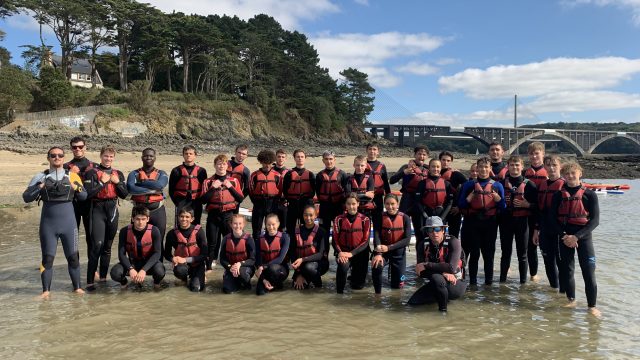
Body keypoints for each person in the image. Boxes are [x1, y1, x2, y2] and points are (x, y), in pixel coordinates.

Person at [23, 146, 87, 298]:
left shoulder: (72, 176)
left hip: (68, 223)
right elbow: (26, 197)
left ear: (64, 158)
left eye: (60, 155)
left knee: (72, 256)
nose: (56, 158)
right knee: (48, 258)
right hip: (48, 225)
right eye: (53, 155)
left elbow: (84, 196)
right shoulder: (40, 176)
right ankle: (46, 291)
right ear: (48, 158)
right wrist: (39, 187)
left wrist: (75, 187)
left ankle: (77, 288)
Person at [550, 162, 600, 317]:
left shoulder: (590, 195)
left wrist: (576, 237)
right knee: (567, 270)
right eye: (567, 174)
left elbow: (595, 221)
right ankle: (571, 300)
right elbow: (552, 219)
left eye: (573, 173)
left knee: (589, 272)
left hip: (583, 237)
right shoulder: (558, 195)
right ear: (564, 176)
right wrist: (564, 236)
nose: (570, 176)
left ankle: (592, 306)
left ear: (580, 173)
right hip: (564, 236)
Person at [83, 145, 128, 290]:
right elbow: (87, 195)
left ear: (114, 158)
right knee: (97, 246)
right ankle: (90, 281)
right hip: (97, 209)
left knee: (107, 247)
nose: (108, 159)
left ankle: (103, 278)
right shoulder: (92, 173)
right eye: (106, 156)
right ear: (101, 156)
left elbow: (124, 194)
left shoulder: (118, 173)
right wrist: (102, 182)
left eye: (111, 156)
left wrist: (118, 182)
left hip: (112, 210)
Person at [458, 157, 506, 286]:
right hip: (473, 222)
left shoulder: (497, 185)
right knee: (474, 254)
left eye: (486, 167)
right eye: (481, 167)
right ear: (477, 168)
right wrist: (470, 197)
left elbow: (503, 207)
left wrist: (498, 199)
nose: (483, 169)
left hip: (490, 223)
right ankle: (472, 283)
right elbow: (461, 204)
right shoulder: (469, 185)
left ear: (490, 169)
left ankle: (488, 284)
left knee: (488, 255)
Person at [407, 217, 466, 312]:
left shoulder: (454, 242)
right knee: (412, 303)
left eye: (437, 229)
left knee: (437, 278)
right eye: (430, 229)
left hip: (456, 283)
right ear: (427, 232)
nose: (434, 232)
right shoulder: (422, 244)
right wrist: (443, 273)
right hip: (438, 281)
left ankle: (443, 312)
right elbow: (420, 272)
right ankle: (443, 297)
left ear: (443, 230)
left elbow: (451, 268)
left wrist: (427, 265)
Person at [498, 155, 538, 284]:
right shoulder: (501, 184)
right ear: (508, 166)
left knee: (522, 255)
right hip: (505, 223)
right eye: (512, 165)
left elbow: (538, 207)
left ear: (522, 167)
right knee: (506, 253)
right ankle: (502, 282)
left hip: (523, 223)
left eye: (517, 165)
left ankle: (523, 284)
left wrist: (527, 205)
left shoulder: (530, 185)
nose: (514, 167)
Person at [200, 154, 244, 269]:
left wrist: (230, 187)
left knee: (230, 241)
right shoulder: (208, 181)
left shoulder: (233, 181)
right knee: (212, 243)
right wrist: (213, 187)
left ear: (227, 166)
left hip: (228, 216)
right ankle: (209, 267)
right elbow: (203, 201)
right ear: (215, 165)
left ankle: (232, 266)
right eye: (219, 164)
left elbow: (240, 199)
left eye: (224, 164)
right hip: (213, 216)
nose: (221, 166)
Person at [110, 206, 165, 289]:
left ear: (147, 219)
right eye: (137, 219)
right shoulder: (124, 231)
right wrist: (130, 269)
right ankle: (124, 283)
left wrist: (143, 270)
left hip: (148, 264)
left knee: (160, 271)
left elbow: (157, 253)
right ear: (132, 219)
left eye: (143, 219)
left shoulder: (154, 231)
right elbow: (121, 254)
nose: (140, 222)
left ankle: (156, 284)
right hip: (133, 263)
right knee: (115, 273)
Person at [533, 155, 565, 291]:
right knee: (548, 261)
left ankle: (564, 293)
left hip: (559, 228)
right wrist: (536, 229)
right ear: (544, 167)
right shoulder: (542, 185)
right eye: (548, 165)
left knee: (561, 262)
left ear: (560, 167)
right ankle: (554, 291)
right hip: (544, 228)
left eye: (554, 165)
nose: (551, 168)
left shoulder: (564, 184)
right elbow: (538, 209)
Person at [414, 158, 455, 262]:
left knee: (440, 240)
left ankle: (441, 262)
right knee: (424, 240)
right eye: (433, 166)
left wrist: (442, 218)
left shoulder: (447, 184)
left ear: (440, 168)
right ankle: (422, 264)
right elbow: (417, 202)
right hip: (426, 215)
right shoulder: (422, 184)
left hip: (441, 216)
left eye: (438, 167)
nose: (435, 169)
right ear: (429, 168)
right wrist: (425, 215)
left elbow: (450, 203)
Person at [389, 145, 430, 244]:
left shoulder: (428, 169)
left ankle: (420, 257)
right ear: (415, 155)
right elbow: (392, 180)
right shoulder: (406, 167)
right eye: (419, 154)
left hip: (420, 202)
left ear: (427, 156)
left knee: (420, 232)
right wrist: (404, 172)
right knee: (401, 228)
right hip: (407, 200)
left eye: (424, 154)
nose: (421, 156)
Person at [371, 194, 411, 294]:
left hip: (398, 253)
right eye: (387, 204)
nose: (390, 207)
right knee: (377, 266)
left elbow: (407, 240)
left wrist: (389, 247)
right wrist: (378, 254)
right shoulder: (380, 217)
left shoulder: (405, 218)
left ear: (397, 204)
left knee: (397, 288)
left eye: (393, 204)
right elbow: (376, 235)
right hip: (383, 251)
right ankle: (377, 295)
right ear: (384, 204)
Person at [127, 148, 169, 241]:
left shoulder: (161, 173)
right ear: (142, 158)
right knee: (136, 239)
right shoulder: (134, 173)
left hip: (157, 210)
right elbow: (131, 188)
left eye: (151, 156)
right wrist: (152, 190)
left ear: (155, 158)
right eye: (146, 156)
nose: (148, 157)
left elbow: (159, 185)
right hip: (139, 211)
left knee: (158, 240)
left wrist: (140, 183)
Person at [332, 193, 371, 294]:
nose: (351, 206)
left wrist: (352, 254)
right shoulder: (338, 219)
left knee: (357, 287)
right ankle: (339, 294)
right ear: (345, 205)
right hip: (344, 253)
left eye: (353, 204)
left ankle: (354, 277)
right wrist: (340, 253)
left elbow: (365, 242)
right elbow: (335, 240)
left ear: (358, 204)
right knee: (343, 266)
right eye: (348, 204)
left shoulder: (365, 219)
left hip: (360, 254)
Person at [164, 207, 208, 292]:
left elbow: (204, 255)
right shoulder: (171, 234)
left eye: (187, 217)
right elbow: (166, 254)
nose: (184, 219)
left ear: (192, 219)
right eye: (182, 216)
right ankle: (183, 279)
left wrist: (185, 259)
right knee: (179, 270)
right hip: (182, 267)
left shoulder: (199, 232)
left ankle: (200, 276)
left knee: (196, 289)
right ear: (178, 217)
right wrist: (172, 258)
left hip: (197, 264)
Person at [64, 136, 97, 243]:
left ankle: (91, 260)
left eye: (80, 146)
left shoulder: (95, 166)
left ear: (85, 147)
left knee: (91, 238)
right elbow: (58, 184)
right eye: (74, 147)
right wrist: (70, 173)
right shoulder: (65, 167)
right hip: (72, 205)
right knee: (73, 238)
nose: (77, 149)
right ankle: (75, 260)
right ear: (71, 149)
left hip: (90, 205)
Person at [524, 142, 548, 282]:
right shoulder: (523, 173)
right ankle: (533, 275)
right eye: (531, 153)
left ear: (542, 154)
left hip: (544, 214)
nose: (534, 156)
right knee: (530, 247)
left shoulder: (548, 173)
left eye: (537, 153)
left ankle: (552, 278)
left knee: (546, 248)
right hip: (529, 214)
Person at [290, 205, 329, 289]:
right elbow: (292, 253)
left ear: (315, 216)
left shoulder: (322, 232)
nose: (308, 218)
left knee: (309, 267)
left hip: (318, 264)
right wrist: (298, 274)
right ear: (302, 216)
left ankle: (318, 285)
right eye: (305, 215)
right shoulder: (296, 231)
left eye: (311, 215)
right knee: (296, 287)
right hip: (301, 266)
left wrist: (303, 259)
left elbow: (320, 255)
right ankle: (305, 278)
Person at [168, 145, 207, 226]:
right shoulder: (176, 171)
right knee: (181, 225)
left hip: (196, 201)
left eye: (191, 153)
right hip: (181, 201)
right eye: (186, 153)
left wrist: (201, 201)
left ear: (195, 155)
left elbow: (204, 188)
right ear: (183, 155)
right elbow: (171, 190)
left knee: (196, 225)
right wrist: (177, 202)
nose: (188, 155)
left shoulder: (201, 171)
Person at [248, 150, 282, 240]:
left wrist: (275, 201)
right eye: (264, 163)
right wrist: (255, 201)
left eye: (269, 163)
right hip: (258, 203)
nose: (267, 165)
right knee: (256, 228)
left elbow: (280, 189)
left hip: (272, 203)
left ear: (272, 162)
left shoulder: (277, 175)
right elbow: (251, 190)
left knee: (271, 228)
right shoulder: (254, 175)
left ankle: (269, 246)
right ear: (260, 162)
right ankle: (256, 248)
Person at [315, 150, 347, 243]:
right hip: (324, 208)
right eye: (326, 159)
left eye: (331, 159)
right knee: (323, 232)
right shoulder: (320, 175)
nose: (329, 161)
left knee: (338, 232)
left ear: (335, 159)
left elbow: (346, 191)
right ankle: (324, 254)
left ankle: (338, 253)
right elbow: (318, 191)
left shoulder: (342, 174)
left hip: (338, 207)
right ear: (323, 161)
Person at [219, 214, 256, 293]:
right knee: (227, 290)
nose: (237, 226)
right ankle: (233, 282)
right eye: (235, 223)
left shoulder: (249, 239)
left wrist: (240, 264)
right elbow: (222, 259)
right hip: (231, 268)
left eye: (240, 223)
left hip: (245, 267)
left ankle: (246, 285)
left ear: (244, 224)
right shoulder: (226, 239)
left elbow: (253, 260)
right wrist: (230, 267)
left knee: (243, 274)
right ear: (231, 224)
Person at [255, 214, 290, 295]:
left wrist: (263, 267)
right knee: (260, 293)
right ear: (266, 225)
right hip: (265, 270)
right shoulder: (260, 239)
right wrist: (263, 279)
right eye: (268, 224)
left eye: (273, 224)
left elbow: (280, 259)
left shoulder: (285, 237)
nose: (271, 227)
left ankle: (278, 284)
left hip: (280, 269)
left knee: (272, 268)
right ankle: (269, 284)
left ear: (278, 224)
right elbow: (257, 260)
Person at [282, 149, 315, 234]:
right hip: (292, 205)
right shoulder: (289, 174)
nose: (300, 158)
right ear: (294, 158)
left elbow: (313, 191)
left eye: (302, 157)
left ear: (305, 158)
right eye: (298, 157)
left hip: (305, 204)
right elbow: (285, 190)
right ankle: (292, 245)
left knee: (306, 228)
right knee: (290, 228)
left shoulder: (310, 174)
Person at [439, 151, 467, 238]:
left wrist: (460, 207)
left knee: (453, 237)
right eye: (443, 160)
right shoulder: (433, 173)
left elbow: (469, 187)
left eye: (448, 160)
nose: (445, 162)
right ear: (439, 160)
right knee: (438, 237)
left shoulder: (456, 174)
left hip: (454, 210)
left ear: (451, 162)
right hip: (439, 210)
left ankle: (453, 251)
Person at [365, 142, 391, 231]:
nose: (372, 151)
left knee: (378, 223)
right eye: (370, 149)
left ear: (378, 152)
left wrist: (389, 196)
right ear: (366, 151)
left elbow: (386, 183)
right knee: (365, 223)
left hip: (378, 198)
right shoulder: (362, 164)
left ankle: (378, 244)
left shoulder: (382, 166)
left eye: (374, 149)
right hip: (365, 198)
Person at [345, 155, 376, 220]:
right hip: (353, 209)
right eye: (357, 165)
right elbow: (348, 195)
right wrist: (365, 194)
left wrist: (355, 194)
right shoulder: (349, 178)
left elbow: (370, 196)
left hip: (366, 210)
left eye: (362, 165)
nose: (359, 167)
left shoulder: (369, 178)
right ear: (354, 165)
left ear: (366, 166)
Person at [273, 149, 289, 229]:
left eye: (283, 157)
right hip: (272, 203)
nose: (281, 158)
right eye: (279, 156)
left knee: (283, 227)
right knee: (272, 225)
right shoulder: (270, 171)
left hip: (284, 203)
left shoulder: (289, 172)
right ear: (275, 158)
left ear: (285, 159)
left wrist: (289, 201)